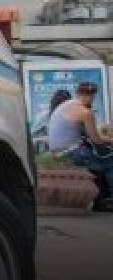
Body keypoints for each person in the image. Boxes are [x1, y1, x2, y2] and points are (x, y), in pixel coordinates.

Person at [47, 81, 113, 211]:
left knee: (99, 160)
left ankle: (99, 200)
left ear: (77, 93)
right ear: (93, 95)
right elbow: (96, 140)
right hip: (72, 152)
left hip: (56, 151)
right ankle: (109, 200)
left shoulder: (66, 105)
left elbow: (85, 134)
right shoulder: (85, 112)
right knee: (110, 162)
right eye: (92, 96)